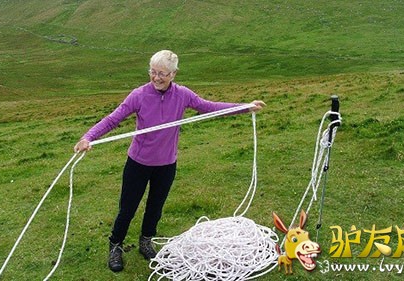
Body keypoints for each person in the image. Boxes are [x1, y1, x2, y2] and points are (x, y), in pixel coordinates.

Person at [74, 50, 265, 272]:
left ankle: (146, 240)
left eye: (162, 73)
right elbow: (112, 119)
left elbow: (210, 108)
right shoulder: (139, 95)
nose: (156, 78)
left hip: (166, 165)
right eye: (153, 72)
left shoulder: (183, 95)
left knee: (155, 207)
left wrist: (244, 107)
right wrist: (88, 137)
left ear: (173, 74)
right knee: (127, 208)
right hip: (138, 163)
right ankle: (115, 245)